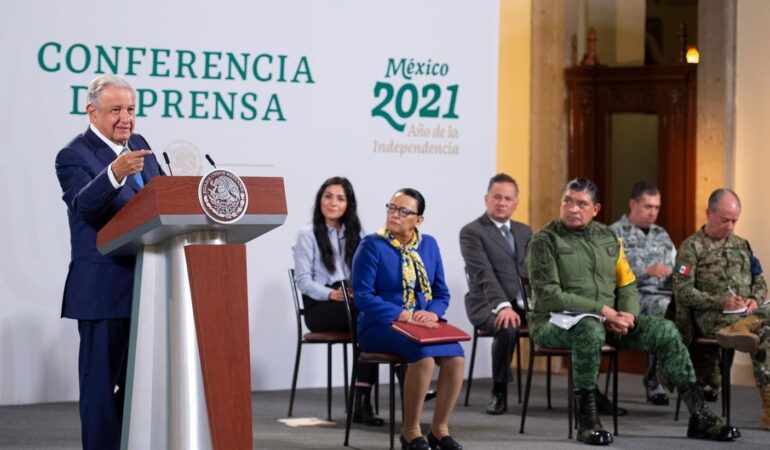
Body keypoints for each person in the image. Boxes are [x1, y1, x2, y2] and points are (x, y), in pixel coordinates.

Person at [525, 177, 738, 445]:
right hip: (553, 323)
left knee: (666, 330)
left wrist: (628, 316)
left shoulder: (608, 238)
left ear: (596, 209)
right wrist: (604, 311)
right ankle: (588, 420)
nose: (573, 208)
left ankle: (700, 416)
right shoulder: (544, 240)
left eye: (582, 203)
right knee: (589, 330)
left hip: (605, 321)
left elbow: (627, 283)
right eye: (568, 201)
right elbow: (550, 295)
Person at [55, 74, 164, 450]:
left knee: (142, 385)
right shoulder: (74, 155)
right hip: (103, 292)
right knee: (101, 390)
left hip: (148, 287)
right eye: (116, 109)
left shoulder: (140, 146)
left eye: (131, 109)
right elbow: (84, 205)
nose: (126, 118)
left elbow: (161, 202)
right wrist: (115, 173)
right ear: (92, 111)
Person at [352, 189, 464, 450]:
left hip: (421, 324)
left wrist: (433, 312)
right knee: (423, 356)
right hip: (379, 325)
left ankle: (439, 430)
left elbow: (441, 292)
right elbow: (363, 297)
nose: (395, 214)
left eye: (404, 211)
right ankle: (411, 431)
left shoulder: (429, 245)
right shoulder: (371, 245)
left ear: (419, 219)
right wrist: (404, 315)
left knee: (456, 357)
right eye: (391, 208)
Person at [673, 188, 770, 430]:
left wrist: (754, 300)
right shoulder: (691, 247)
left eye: (735, 220)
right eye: (725, 219)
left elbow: (760, 282)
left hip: (746, 314)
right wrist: (719, 302)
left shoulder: (742, 246)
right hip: (710, 317)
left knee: (766, 326)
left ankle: (745, 325)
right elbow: (682, 291)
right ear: (709, 213)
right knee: (765, 333)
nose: (730, 226)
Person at [291, 176, 383, 426]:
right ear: (320, 200)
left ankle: (365, 400)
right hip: (320, 307)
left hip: (352, 302)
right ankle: (365, 400)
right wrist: (331, 294)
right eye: (328, 196)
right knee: (366, 316)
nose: (333, 203)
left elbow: (368, 272)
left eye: (340, 198)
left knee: (373, 316)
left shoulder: (359, 234)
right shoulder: (307, 234)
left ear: (348, 204)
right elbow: (303, 281)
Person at [459, 173, 531, 414]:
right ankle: (499, 391)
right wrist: (503, 305)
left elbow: (531, 271)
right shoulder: (472, 231)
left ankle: (586, 394)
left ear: (515, 203)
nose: (502, 203)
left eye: (508, 198)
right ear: (486, 199)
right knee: (507, 325)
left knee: (570, 321)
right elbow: (483, 274)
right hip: (486, 303)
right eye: (497, 197)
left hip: (525, 303)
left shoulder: (524, 231)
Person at [609, 181, 675, 406]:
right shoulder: (615, 233)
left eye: (657, 208)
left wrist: (680, 272)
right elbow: (610, 275)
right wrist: (645, 272)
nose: (653, 213)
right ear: (633, 204)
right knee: (664, 310)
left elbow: (675, 264)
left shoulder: (661, 234)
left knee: (682, 309)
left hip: (664, 292)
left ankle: (699, 379)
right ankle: (655, 380)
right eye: (648, 207)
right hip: (632, 297)